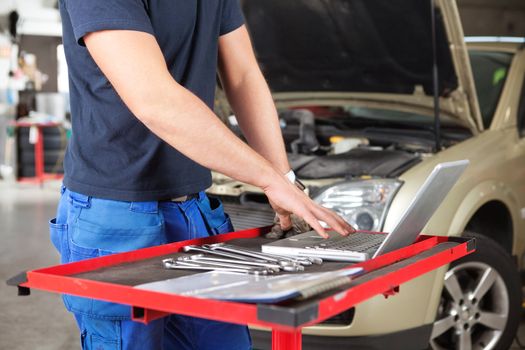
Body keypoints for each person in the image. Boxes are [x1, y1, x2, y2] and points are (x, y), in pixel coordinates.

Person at [50, 0, 355, 349]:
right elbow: (154, 99)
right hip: (114, 212)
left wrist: (284, 180)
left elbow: (242, 76)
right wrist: (268, 178)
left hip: (192, 207)